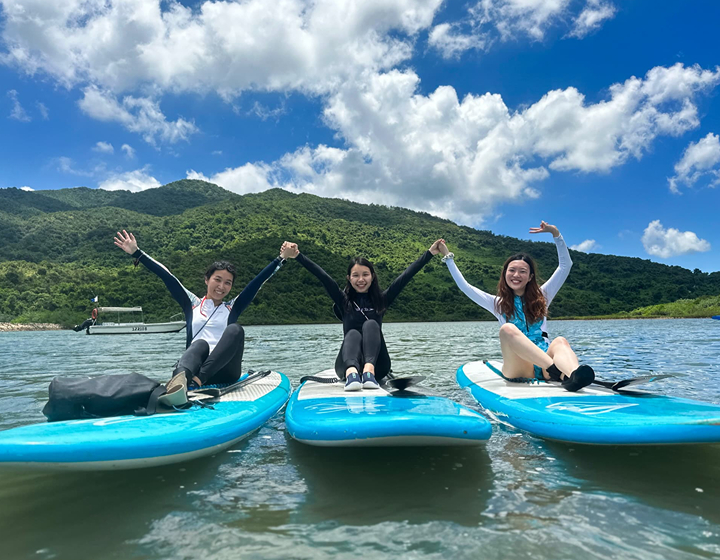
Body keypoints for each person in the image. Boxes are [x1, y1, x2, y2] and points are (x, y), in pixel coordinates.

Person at [114, 230, 294, 404]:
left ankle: (195, 383)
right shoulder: (192, 304)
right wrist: (137, 253)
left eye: (227, 283)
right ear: (207, 280)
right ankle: (179, 383)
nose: (221, 286)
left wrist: (282, 258)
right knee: (199, 344)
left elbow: (257, 283)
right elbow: (167, 276)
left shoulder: (232, 308)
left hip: (225, 371)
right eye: (217, 279)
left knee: (235, 329)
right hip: (194, 367)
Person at [438, 222, 594, 392]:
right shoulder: (497, 303)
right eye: (511, 270)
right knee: (507, 329)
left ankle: (574, 376)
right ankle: (557, 371)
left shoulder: (543, 296)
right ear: (505, 274)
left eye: (522, 271)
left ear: (530, 277)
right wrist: (448, 257)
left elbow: (565, 267)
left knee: (560, 341)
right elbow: (465, 287)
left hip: (543, 362)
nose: (516, 275)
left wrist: (556, 234)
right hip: (520, 366)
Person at [281, 239, 444, 391]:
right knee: (352, 333)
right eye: (355, 275)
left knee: (371, 324)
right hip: (345, 366)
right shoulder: (343, 301)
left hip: (378, 366)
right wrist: (298, 256)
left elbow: (406, 276)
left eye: (365, 274)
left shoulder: (382, 300)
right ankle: (352, 375)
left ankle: (368, 372)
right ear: (349, 278)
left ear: (372, 277)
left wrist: (429, 253)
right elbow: (323, 277)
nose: (361, 279)